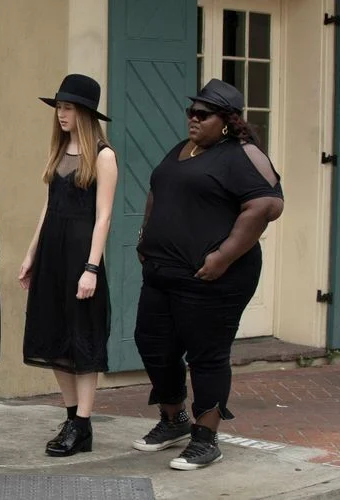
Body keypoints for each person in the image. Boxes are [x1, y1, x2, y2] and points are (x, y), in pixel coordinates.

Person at [132, 78, 284, 470]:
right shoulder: (183, 149)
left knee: (207, 354)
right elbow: (158, 189)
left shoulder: (242, 154)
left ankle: (206, 438)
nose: (193, 119)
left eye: (203, 114)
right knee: (152, 343)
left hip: (213, 277)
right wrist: (146, 235)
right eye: (191, 112)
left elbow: (267, 205)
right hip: (163, 272)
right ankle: (173, 419)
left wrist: (223, 256)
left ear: (228, 121)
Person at [18, 74, 118, 457]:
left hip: (81, 257)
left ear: (86, 112)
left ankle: (83, 426)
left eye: (69, 107)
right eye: (59, 106)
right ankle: (72, 418)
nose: (61, 114)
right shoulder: (58, 153)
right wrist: (31, 254)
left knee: (82, 341)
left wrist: (91, 268)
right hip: (52, 258)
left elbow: (104, 217)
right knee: (55, 338)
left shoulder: (104, 155)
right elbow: (49, 208)